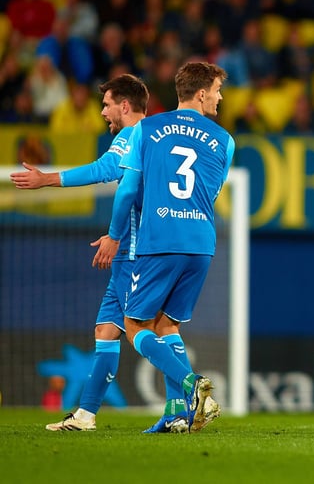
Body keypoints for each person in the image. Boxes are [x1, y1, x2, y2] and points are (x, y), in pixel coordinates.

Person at [93, 61, 234, 433]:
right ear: (201, 93)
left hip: (161, 240)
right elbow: (212, 192)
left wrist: (114, 235)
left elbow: (127, 189)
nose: (220, 98)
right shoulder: (225, 140)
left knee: (133, 324)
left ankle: (193, 385)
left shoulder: (146, 128)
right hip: (201, 243)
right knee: (167, 324)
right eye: (217, 90)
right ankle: (175, 414)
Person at [10, 74, 149, 431]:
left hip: (136, 251)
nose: (101, 112)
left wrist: (47, 179)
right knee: (107, 330)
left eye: (106, 104)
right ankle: (86, 415)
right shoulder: (150, 137)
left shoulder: (133, 134)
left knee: (148, 331)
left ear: (124, 106)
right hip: (130, 245)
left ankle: (191, 390)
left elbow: (105, 170)